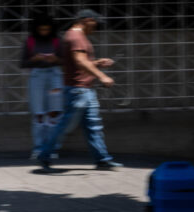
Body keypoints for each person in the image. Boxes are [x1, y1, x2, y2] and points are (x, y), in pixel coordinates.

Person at [38, 9, 122, 172]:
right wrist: (102, 76)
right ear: (87, 20)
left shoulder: (75, 36)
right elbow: (80, 61)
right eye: (95, 24)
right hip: (78, 91)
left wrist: (97, 62)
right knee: (64, 126)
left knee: (93, 127)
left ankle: (102, 160)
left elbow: (79, 62)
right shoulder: (76, 36)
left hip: (84, 90)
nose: (95, 28)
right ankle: (44, 155)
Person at [21, 14, 63, 160]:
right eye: (41, 29)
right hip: (37, 76)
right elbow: (23, 63)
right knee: (38, 114)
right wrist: (34, 59)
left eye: (47, 29)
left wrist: (55, 59)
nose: (44, 32)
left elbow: (65, 60)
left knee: (54, 113)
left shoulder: (57, 40)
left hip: (54, 75)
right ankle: (38, 148)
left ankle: (52, 147)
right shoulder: (30, 41)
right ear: (36, 29)